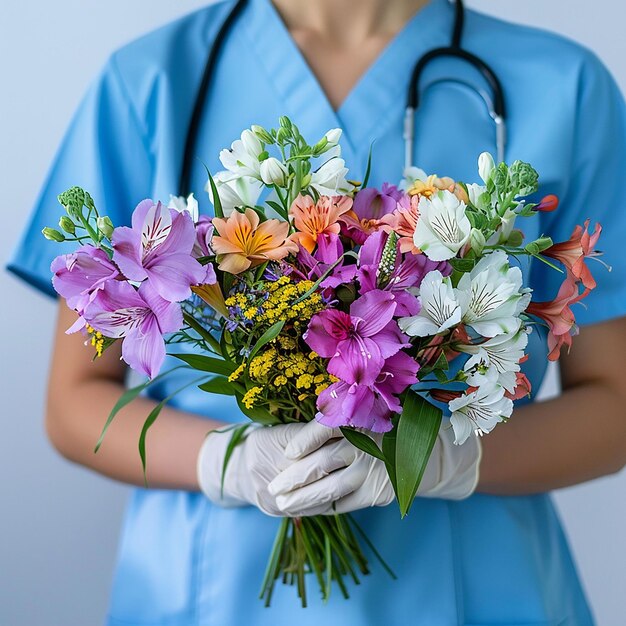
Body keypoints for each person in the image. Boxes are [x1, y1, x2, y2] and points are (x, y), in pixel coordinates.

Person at [8, 0, 626, 624]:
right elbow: (73, 400)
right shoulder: (153, 80)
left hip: (470, 590)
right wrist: (224, 462)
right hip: (212, 594)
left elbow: (615, 405)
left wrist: (444, 459)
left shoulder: (564, 86)